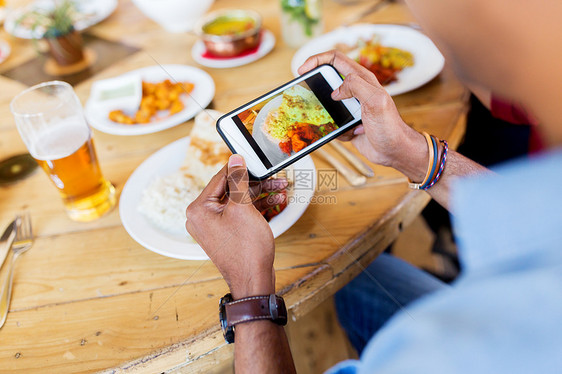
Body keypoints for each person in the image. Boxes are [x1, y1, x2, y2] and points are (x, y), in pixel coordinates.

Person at [185, 0, 562, 372]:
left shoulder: (428, 357)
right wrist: (411, 153)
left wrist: (251, 293)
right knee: (358, 276)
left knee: (347, 273)